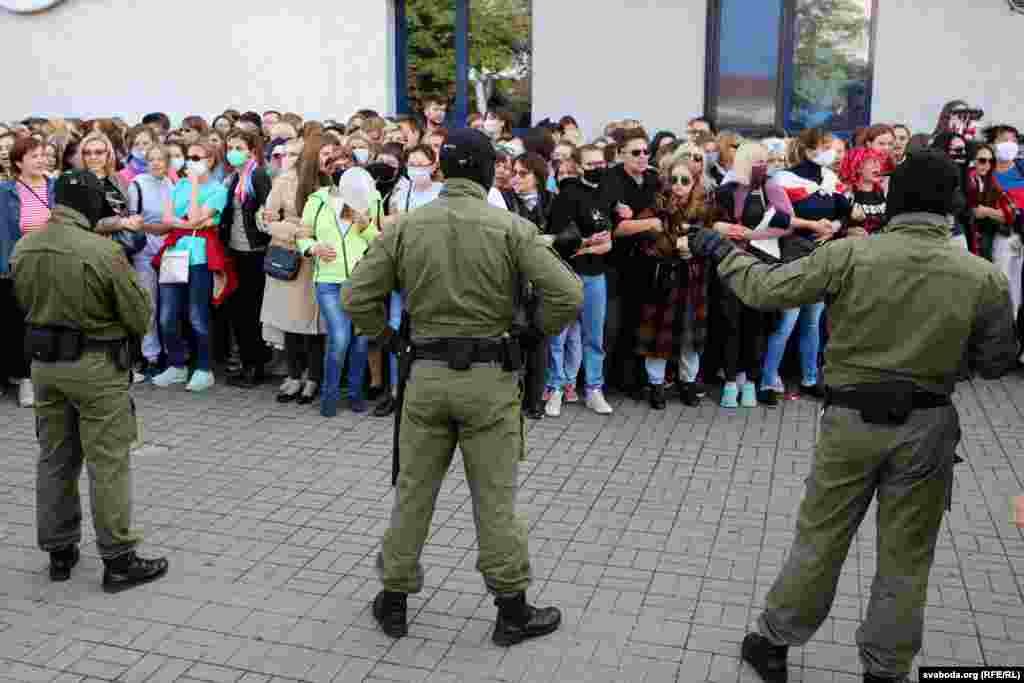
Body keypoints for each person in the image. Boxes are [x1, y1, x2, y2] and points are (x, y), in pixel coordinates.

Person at [687, 149, 1017, 683]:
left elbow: (765, 289)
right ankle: (885, 670)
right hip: (928, 426)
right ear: (951, 205)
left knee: (820, 537)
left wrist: (721, 251)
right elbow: (998, 361)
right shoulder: (981, 277)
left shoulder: (851, 256)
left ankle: (773, 643)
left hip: (849, 422)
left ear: (895, 198)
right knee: (906, 556)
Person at [342, 127, 582, 646]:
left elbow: (357, 296)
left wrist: (388, 338)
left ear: (444, 170)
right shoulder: (510, 227)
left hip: (424, 375)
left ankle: (395, 600)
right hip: (489, 380)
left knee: (413, 494)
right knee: (494, 500)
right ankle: (511, 611)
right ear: (486, 169)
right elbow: (567, 293)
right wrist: (533, 333)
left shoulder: (407, 226)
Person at [11, 169, 169, 592]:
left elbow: (21, 300)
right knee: (108, 461)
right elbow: (138, 315)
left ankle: (59, 551)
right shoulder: (102, 252)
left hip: (44, 364)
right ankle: (119, 559)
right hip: (96, 365)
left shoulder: (25, 245)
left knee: (55, 456)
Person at [296, 165, 380, 417]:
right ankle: (329, 396)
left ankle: (355, 395)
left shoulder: (372, 198)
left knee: (361, 341)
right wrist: (313, 248)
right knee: (340, 338)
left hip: (362, 281)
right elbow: (303, 234)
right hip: (329, 281)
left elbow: (379, 241)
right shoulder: (318, 200)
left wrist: (365, 225)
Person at [150, 141, 233, 393]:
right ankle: (177, 364)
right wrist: (189, 223)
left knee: (197, 315)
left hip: (200, 257)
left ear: (210, 160)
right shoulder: (179, 185)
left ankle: (204, 368)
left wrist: (196, 189)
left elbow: (197, 216)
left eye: (197, 157)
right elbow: (167, 219)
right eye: (189, 156)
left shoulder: (218, 189)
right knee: (167, 316)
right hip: (174, 254)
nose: (191, 161)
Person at [544, 144, 614, 416]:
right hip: (567, 274)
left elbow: (609, 240)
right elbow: (555, 240)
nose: (598, 168)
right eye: (591, 164)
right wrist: (586, 244)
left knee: (594, 336)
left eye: (601, 163)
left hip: (597, 274)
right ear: (578, 165)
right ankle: (556, 388)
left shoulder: (606, 193)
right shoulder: (568, 195)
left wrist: (598, 245)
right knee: (559, 337)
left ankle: (594, 388)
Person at [635, 157, 709, 409]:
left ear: (694, 183)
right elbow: (644, 242)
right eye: (674, 179)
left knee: (689, 340)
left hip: (692, 278)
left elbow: (714, 239)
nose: (678, 185)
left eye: (685, 180)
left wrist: (695, 249)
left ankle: (688, 383)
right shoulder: (655, 206)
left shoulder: (703, 209)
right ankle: (656, 386)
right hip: (663, 277)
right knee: (658, 338)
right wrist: (667, 246)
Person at [261, 137, 323, 405]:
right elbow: (266, 219)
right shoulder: (282, 181)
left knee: (314, 325)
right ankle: (294, 375)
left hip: (317, 259)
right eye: (285, 154)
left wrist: (305, 232)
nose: (289, 158)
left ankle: (314, 378)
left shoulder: (326, 182)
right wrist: (297, 231)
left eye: (295, 153)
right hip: (288, 257)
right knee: (289, 322)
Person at [1, 137, 57, 407]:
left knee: (52, 321)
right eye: (33, 156)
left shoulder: (55, 187)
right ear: (18, 161)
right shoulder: (6, 191)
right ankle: (26, 380)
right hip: (21, 265)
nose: (40, 160)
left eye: (43, 155)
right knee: (22, 324)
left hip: (54, 264)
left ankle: (52, 378)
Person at [221, 129, 273, 388]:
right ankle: (245, 362)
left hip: (255, 252)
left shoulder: (258, 175)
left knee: (253, 311)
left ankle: (256, 365)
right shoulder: (232, 178)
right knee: (239, 311)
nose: (233, 152)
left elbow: (268, 210)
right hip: (235, 250)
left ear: (252, 151)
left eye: (239, 147)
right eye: (230, 147)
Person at [125, 144, 176, 379]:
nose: (156, 163)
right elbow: (134, 220)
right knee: (149, 304)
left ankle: (171, 352)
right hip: (145, 248)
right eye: (152, 159)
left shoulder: (172, 184)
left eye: (161, 159)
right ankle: (150, 355)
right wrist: (159, 228)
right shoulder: (137, 184)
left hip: (168, 249)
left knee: (169, 304)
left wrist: (167, 229)